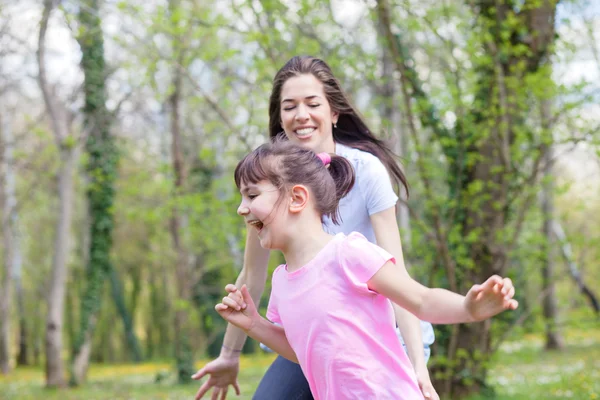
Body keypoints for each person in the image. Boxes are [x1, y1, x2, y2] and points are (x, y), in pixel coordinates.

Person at [193, 55, 437, 400]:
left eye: (312, 103)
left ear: (334, 112)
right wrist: (229, 355)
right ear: (280, 118)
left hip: (377, 335)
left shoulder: (366, 171)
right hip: (314, 330)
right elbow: (252, 274)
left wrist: (417, 366)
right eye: (289, 106)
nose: (301, 115)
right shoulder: (266, 182)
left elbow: (399, 275)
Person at [214, 139, 518, 399]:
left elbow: (421, 300)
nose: (242, 208)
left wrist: (468, 308)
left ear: (297, 198)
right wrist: (253, 323)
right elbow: (304, 353)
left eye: (252, 195)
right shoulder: (281, 282)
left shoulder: (349, 253)